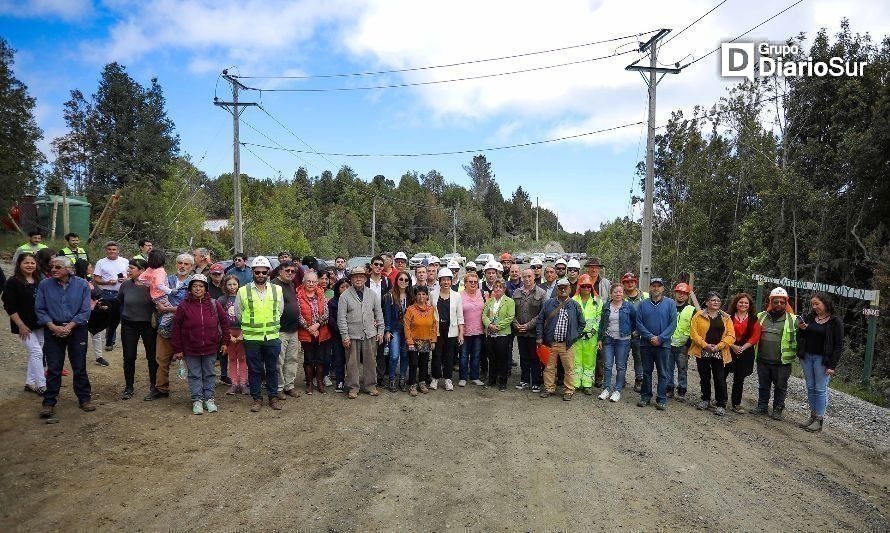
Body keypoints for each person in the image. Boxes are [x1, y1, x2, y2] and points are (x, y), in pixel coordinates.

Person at [35, 256, 94, 420]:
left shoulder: (82, 284)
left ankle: (84, 398)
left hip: (77, 329)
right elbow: (40, 309)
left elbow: (85, 311)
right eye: (52, 266)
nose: (53, 269)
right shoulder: (45, 285)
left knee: (79, 366)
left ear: (69, 270)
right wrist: (53, 326)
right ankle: (49, 402)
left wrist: (69, 327)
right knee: (54, 368)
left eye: (58, 267)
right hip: (53, 329)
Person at [170, 274, 230, 415]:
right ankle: (197, 399)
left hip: (210, 347)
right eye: (195, 286)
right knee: (195, 375)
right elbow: (176, 328)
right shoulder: (183, 306)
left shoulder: (214, 304)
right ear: (190, 288)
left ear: (205, 288)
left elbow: (224, 323)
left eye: (201, 286)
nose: (198, 289)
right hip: (191, 348)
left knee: (209, 374)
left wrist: (225, 342)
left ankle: (209, 399)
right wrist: (178, 349)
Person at [235, 256, 284, 412]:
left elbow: (280, 311)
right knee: (255, 370)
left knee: (272, 369)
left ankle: (273, 397)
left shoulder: (277, 290)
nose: (261, 275)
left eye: (264, 272)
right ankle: (257, 399)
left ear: (268, 272)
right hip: (252, 338)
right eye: (258, 272)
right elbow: (238, 313)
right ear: (253, 272)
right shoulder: (243, 291)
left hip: (272, 336)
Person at [145, 253, 193, 401]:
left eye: (186, 264)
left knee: (192, 361)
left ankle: (196, 391)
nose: (182, 266)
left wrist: (169, 310)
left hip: (187, 327)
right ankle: (161, 388)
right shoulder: (166, 279)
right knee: (161, 358)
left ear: (191, 267)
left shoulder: (194, 283)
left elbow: (192, 306)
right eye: (180, 263)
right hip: (165, 327)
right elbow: (153, 293)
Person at [796, 293, 844, 432]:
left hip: (822, 359)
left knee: (820, 389)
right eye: (812, 304)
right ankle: (813, 415)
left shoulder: (835, 321)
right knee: (810, 387)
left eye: (817, 304)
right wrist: (802, 329)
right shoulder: (810, 317)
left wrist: (832, 365)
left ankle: (819, 419)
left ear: (825, 303)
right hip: (807, 357)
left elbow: (838, 345)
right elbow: (803, 337)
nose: (814, 307)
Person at [337, 266, 385, 399]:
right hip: (352, 335)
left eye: (361, 276)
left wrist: (380, 330)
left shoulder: (372, 294)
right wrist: (344, 336)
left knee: (371, 361)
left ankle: (371, 386)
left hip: (370, 333)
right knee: (352, 363)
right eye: (355, 276)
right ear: (351, 279)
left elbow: (378, 313)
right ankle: (353, 387)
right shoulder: (344, 296)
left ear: (365, 278)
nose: (358, 279)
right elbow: (341, 318)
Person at [2, 252, 45, 395]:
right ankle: (41, 384)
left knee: (38, 352)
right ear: (19, 264)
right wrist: (20, 325)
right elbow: (9, 306)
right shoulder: (13, 282)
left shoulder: (39, 280)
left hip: (39, 323)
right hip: (23, 325)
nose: (30, 265)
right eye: (26, 263)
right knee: (36, 352)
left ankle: (30, 382)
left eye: (32, 263)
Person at [688, 292, 735, 417]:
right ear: (707, 302)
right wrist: (705, 345)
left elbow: (731, 335)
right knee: (704, 376)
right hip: (703, 350)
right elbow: (693, 334)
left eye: (718, 300)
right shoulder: (698, 316)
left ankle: (721, 404)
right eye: (712, 300)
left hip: (720, 352)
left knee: (720, 378)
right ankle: (705, 399)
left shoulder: (726, 317)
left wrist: (719, 346)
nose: (715, 302)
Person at [117, 258, 158, 400]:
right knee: (129, 356)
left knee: (152, 356)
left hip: (148, 325)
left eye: (132, 268)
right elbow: (119, 301)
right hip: (129, 324)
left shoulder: (152, 286)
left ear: (142, 271)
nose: (128, 270)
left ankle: (155, 386)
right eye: (129, 267)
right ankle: (129, 387)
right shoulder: (125, 285)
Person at [537, 278, 584, 401]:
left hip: (567, 344)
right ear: (557, 289)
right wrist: (540, 337)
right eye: (560, 287)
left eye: (565, 287)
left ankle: (569, 390)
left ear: (569, 289)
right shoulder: (548, 303)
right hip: (550, 343)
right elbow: (540, 321)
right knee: (549, 367)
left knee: (569, 369)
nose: (563, 290)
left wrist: (574, 336)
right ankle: (549, 388)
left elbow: (582, 324)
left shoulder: (575, 305)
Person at [754, 287, 798, 421]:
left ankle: (778, 409)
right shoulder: (760, 316)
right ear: (771, 302)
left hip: (782, 362)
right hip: (763, 359)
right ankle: (762, 406)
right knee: (763, 385)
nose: (779, 305)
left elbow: (803, 338)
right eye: (776, 302)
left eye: (782, 302)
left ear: (786, 303)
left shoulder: (794, 320)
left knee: (780, 387)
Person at [635, 277, 677, 410]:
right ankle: (645, 397)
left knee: (663, 372)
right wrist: (650, 337)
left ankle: (661, 399)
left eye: (659, 286)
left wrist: (661, 338)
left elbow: (673, 324)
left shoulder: (670, 303)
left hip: (663, 345)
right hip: (646, 344)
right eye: (653, 286)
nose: (656, 288)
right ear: (650, 288)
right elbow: (639, 323)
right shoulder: (642, 304)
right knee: (646, 372)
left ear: (663, 288)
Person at [597, 284, 636, 402]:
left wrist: (628, 332)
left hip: (623, 341)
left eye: (620, 292)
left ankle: (617, 390)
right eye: (615, 292)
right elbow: (602, 324)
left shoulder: (629, 306)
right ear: (611, 294)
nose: (618, 294)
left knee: (620, 366)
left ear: (623, 293)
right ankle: (606, 389)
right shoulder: (606, 306)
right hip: (608, 339)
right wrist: (599, 339)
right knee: (607, 365)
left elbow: (634, 321)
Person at [271, 260, 303, 399]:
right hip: (280, 330)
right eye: (287, 270)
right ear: (280, 271)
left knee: (292, 359)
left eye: (293, 271)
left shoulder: (291, 284)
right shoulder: (273, 285)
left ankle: (289, 386)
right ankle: (278, 388)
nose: (290, 273)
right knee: (279, 361)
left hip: (293, 330)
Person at [726, 293, 761, 414]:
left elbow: (755, 336)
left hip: (746, 352)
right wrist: (732, 345)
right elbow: (723, 333)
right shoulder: (728, 317)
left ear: (749, 305)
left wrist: (743, 347)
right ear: (736, 303)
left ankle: (736, 403)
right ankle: (721, 399)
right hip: (728, 349)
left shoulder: (754, 319)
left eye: (746, 303)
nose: (743, 304)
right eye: (741, 302)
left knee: (739, 379)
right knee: (722, 375)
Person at [430, 267, 464, 391]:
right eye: (443, 280)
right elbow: (430, 312)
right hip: (437, 329)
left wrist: (461, 333)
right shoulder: (433, 294)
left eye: (448, 280)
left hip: (451, 329)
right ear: (439, 281)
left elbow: (460, 316)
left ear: (451, 281)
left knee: (449, 355)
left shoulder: (456, 296)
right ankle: (435, 377)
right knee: (436, 354)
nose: (446, 282)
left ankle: (448, 379)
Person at [92, 241, 129, 351]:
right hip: (108, 293)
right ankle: (110, 341)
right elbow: (96, 279)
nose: (112, 251)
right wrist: (108, 282)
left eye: (114, 249)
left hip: (124, 293)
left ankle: (127, 341)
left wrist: (126, 279)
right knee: (110, 318)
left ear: (118, 250)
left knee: (125, 317)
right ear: (106, 250)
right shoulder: (101, 262)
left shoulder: (125, 261)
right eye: (109, 249)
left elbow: (132, 274)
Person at [297, 271, 330, 395]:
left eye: (313, 281)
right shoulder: (298, 295)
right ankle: (309, 383)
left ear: (317, 283)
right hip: (306, 333)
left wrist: (317, 325)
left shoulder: (321, 294)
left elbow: (326, 313)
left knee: (321, 359)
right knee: (308, 358)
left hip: (322, 332)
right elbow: (298, 315)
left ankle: (320, 382)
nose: (311, 284)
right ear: (304, 282)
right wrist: (309, 328)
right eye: (308, 281)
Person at [512, 268, 545, 392]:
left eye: (529, 276)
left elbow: (542, 313)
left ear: (534, 277)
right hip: (520, 332)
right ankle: (524, 380)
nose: (527, 279)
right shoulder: (516, 292)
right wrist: (516, 324)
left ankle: (536, 382)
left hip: (533, 332)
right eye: (524, 276)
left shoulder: (541, 293)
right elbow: (512, 311)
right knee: (523, 356)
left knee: (535, 358)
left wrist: (528, 325)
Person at [571, 274, 603, 395]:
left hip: (591, 337)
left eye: (588, 286)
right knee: (576, 360)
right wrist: (577, 332)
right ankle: (576, 383)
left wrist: (593, 331)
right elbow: (571, 319)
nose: (586, 288)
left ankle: (587, 385)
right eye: (583, 286)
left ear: (591, 287)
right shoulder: (573, 301)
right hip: (577, 337)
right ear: (579, 286)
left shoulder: (597, 301)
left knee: (589, 361)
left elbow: (600, 318)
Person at [403, 285, 437, 396]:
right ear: (415, 296)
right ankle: (412, 384)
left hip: (426, 340)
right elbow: (406, 326)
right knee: (413, 363)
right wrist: (410, 341)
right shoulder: (410, 309)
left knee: (424, 363)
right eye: (418, 294)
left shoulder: (431, 309)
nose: (421, 296)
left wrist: (433, 340)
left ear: (427, 296)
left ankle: (422, 382)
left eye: (423, 294)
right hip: (413, 341)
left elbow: (434, 325)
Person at [482, 279, 515, 391]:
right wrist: (489, 325)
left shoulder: (509, 301)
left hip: (503, 334)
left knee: (502, 359)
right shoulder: (489, 301)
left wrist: (498, 326)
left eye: (500, 287)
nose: (498, 289)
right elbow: (484, 315)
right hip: (490, 334)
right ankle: (491, 380)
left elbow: (510, 317)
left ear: (504, 289)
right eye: (496, 287)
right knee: (492, 358)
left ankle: (502, 382)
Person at [383, 271, 412, 392]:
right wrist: (387, 330)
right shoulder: (389, 296)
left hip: (407, 330)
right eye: (401, 279)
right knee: (394, 356)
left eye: (406, 280)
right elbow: (387, 315)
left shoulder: (411, 296)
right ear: (396, 280)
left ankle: (403, 378)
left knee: (405, 355)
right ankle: (392, 378)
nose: (403, 282)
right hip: (394, 329)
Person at [219, 275, 248, 395]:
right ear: (225, 286)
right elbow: (219, 320)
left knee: (242, 358)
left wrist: (244, 333)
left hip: (242, 331)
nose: (232, 287)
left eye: (234, 284)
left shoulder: (243, 297)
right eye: (229, 284)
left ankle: (243, 383)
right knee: (231, 358)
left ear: (238, 285)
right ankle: (234, 383)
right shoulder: (221, 300)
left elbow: (248, 316)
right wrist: (227, 336)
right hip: (228, 332)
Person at [667, 282, 696, 402]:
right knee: (668, 368)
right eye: (679, 292)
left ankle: (682, 390)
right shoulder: (668, 306)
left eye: (684, 293)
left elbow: (694, 328)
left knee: (682, 369)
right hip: (668, 343)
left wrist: (689, 343)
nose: (681, 295)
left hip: (683, 345)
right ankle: (669, 388)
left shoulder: (692, 310)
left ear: (687, 295)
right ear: (675, 293)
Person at [621, 272, 648, 392]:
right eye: (627, 282)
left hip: (640, 333)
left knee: (639, 358)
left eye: (632, 281)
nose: (630, 283)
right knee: (622, 358)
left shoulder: (645, 297)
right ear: (623, 284)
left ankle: (639, 380)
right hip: (624, 334)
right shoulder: (619, 296)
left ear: (635, 283)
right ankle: (621, 379)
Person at [366, 255, 391, 384]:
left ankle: (380, 376)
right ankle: (370, 376)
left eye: (381, 265)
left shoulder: (387, 282)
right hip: (367, 320)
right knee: (369, 350)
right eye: (376, 264)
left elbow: (389, 303)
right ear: (371, 266)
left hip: (382, 319)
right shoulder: (365, 282)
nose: (378, 267)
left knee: (381, 348)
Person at [459, 271, 485, 387]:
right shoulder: (460, 295)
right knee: (464, 355)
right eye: (470, 281)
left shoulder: (481, 293)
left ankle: (475, 376)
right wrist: (460, 331)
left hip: (479, 331)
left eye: (475, 282)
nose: (473, 283)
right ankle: (463, 377)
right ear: (465, 283)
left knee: (476, 355)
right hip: (464, 331)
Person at [327, 278, 350, 392]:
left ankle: (351, 381)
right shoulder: (332, 302)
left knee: (351, 360)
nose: (345, 289)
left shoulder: (353, 300)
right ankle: (340, 381)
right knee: (339, 359)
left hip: (351, 334)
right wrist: (341, 330)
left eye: (347, 287)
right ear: (337, 289)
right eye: (342, 287)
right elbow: (330, 318)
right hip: (337, 335)